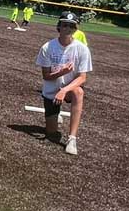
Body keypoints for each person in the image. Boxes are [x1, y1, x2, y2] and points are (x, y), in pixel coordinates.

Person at [35, 12, 93, 155]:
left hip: (69, 89)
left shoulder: (82, 49)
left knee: (79, 92)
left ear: (76, 29)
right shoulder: (47, 47)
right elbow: (46, 76)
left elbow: (82, 78)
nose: (68, 28)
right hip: (51, 90)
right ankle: (56, 113)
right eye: (65, 25)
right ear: (59, 27)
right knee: (51, 132)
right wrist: (62, 72)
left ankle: (72, 138)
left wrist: (64, 90)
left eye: (72, 26)